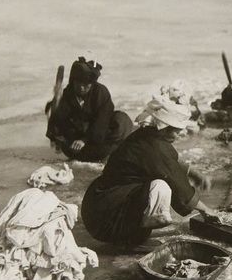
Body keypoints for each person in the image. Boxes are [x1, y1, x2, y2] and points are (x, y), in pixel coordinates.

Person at [81, 96, 218, 253]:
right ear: (164, 128)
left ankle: (129, 236)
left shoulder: (146, 135)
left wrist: (193, 173)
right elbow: (179, 187)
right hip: (106, 217)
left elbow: (166, 163)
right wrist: (205, 209)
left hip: (100, 205)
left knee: (158, 184)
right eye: (176, 132)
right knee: (161, 188)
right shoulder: (155, 147)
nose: (178, 136)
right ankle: (131, 241)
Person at [46, 57, 132, 162]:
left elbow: (102, 119)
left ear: (92, 84)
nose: (81, 87)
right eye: (78, 83)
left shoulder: (101, 92)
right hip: (76, 142)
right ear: (73, 81)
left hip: (99, 136)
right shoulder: (68, 94)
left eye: (86, 84)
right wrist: (56, 137)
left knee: (122, 120)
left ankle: (108, 151)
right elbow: (60, 120)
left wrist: (84, 140)